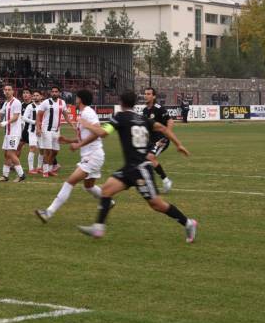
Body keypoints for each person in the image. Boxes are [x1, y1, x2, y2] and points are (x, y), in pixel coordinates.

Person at [74, 90, 196, 243]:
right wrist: (179, 144)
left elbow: (102, 133)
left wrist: (86, 124)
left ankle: (188, 223)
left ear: (121, 103)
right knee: (106, 190)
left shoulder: (120, 117)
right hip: (129, 169)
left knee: (157, 204)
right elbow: (164, 129)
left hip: (141, 169)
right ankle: (98, 228)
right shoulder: (142, 118)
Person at [35, 89, 110, 223]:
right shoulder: (83, 113)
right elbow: (84, 136)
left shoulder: (88, 113)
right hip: (92, 155)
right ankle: (108, 201)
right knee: (89, 186)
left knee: (69, 182)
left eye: (77, 98)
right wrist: (68, 140)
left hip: (93, 155)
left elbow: (98, 132)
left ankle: (48, 212)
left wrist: (78, 145)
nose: (75, 100)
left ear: (80, 99)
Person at [141, 87, 174, 192]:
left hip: (161, 140)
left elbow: (170, 121)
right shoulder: (145, 111)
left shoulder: (159, 108)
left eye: (149, 94)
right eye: (145, 94)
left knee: (150, 157)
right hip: (151, 141)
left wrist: (167, 136)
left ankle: (166, 181)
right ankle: (151, 182)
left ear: (154, 96)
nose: (146, 96)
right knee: (143, 160)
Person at [35, 86, 70, 177]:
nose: (54, 93)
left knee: (55, 151)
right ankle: (45, 171)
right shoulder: (45, 102)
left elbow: (66, 115)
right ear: (50, 93)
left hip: (57, 130)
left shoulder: (62, 102)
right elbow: (39, 115)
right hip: (47, 130)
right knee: (48, 151)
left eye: (56, 91)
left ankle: (50, 169)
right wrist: (38, 128)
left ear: (59, 93)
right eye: (53, 91)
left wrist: (72, 124)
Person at [0, 83, 26, 183]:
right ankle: (5, 175)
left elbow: (16, 117)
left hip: (14, 132)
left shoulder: (16, 102)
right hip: (8, 132)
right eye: (5, 90)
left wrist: (4, 123)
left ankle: (21, 175)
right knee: (6, 154)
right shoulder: (6, 103)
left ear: (13, 91)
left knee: (11, 153)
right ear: (3, 91)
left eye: (9, 89)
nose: (7, 91)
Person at [24, 90, 42, 175]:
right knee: (33, 148)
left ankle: (39, 167)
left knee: (42, 150)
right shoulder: (30, 106)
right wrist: (34, 122)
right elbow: (24, 118)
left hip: (42, 131)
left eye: (37, 95)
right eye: (34, 95)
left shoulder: (43, 106)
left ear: (41, 96)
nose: (35, 97)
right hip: (32, 131)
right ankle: (31, 169)